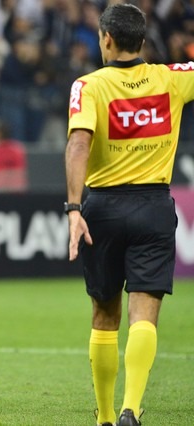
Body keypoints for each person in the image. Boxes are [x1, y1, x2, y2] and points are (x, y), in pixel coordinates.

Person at [64, 4, 194, 426]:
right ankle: (131, 409)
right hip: (153, 206)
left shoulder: (89, 85)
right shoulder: (171, 78)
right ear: (142, 39)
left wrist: (72, 207)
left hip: (101, 206)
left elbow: (79, 145)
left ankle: (103, 417)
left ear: (105, 38)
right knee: (145, 312)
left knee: (104, 314)